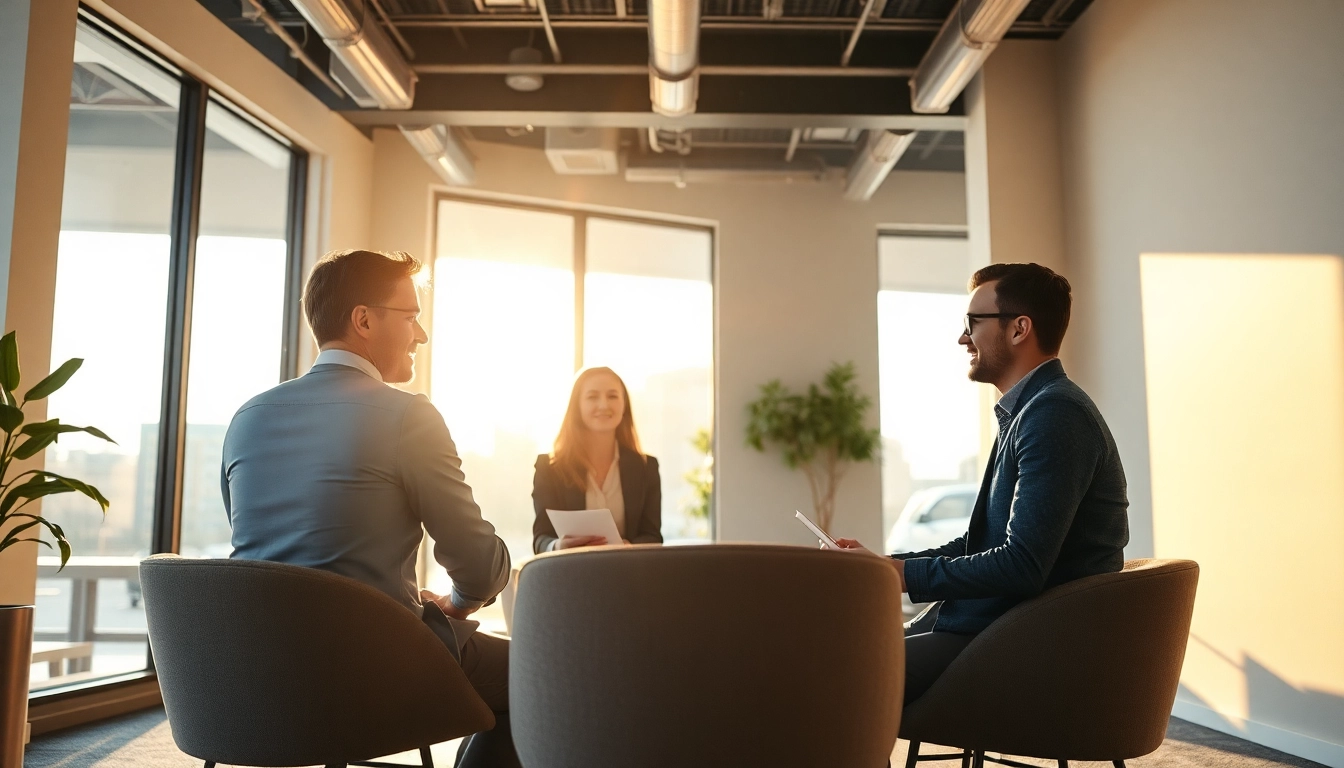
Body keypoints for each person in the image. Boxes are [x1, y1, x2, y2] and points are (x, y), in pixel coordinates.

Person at [222, 249, 518, 767]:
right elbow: (474, 560)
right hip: (373, 668)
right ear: (363, 319)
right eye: (410, 316)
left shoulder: (247, 417)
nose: (421, 334)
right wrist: (464, 599)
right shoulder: (407, 416)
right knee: (547, 674)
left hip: (254, 672)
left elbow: (260, 540)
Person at [835, 262, 1129, 704]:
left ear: (1019, 329)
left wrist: (900, 575)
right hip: (997, 626)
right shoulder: (1029, 412)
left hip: (1027, 644)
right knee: (832, 655)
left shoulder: (1054, 415)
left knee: (833, 674)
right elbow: (982, 545)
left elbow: (1021, 566)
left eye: (973, 323)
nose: (962, 338)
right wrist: (883, 567)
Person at [532, 367, 663, 553]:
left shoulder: (645, 468)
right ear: (577, 406)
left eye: (612, 396)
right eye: (592, 397)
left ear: (624, 404)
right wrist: (558, 546)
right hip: (570, 573)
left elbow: (653, 535)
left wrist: (630, 548)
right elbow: (541, 539)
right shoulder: (550, 468)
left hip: (628, 574)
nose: (603, 405)